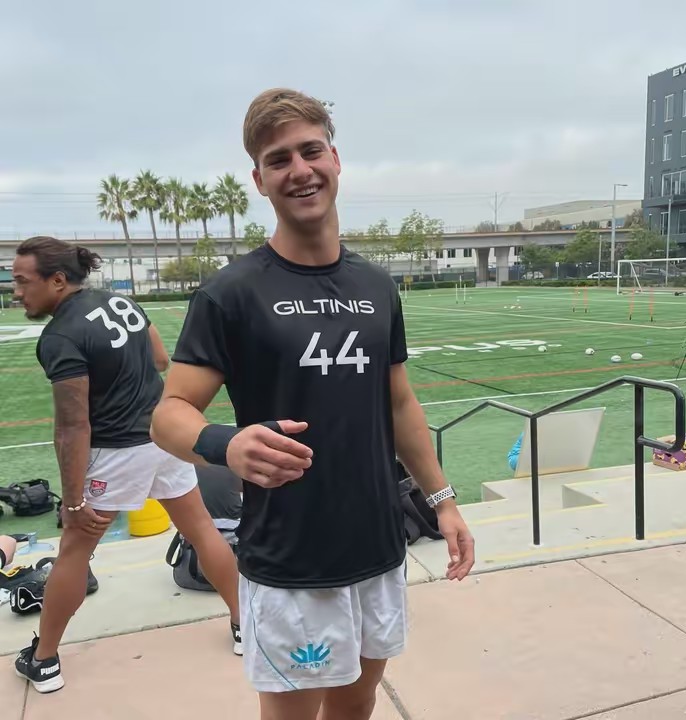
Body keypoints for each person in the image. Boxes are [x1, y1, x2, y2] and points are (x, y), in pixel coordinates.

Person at [150, 88, 476, 720]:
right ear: (259, 180)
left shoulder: (375, 285)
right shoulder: (231, 293)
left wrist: (443, 501)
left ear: (335, 158)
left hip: (378, 546)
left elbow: (400, 404)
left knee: (357, 703)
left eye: (311, 151)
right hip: (289, 559)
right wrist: (227, 444)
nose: (299, 170)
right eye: (279, 160)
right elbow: (168, 415)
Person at [10, 237, 242, 695]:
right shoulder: (120, 302)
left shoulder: (60, 336)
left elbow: (73, 426)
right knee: (202, 530)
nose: (16, 292)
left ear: (57, 280)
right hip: (161, 435)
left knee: (75, 551)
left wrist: (72, 501)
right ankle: (244, 626)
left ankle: (44, 659)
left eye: (22, 281)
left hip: (115, 451)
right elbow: (159, 359)